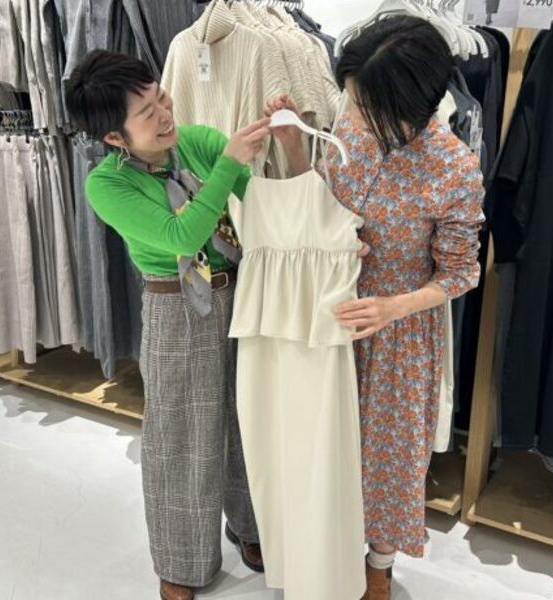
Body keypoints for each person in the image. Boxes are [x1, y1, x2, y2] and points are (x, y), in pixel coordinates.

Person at [267, 15, 485, 600]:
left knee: (388, 463)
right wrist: (292, 147)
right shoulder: (353, 127)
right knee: (323, 445)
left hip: (397, 335)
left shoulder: (453, 167)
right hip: (329, 311)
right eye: (354, 100)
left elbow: (461, 271)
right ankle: (324, 552)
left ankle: (378, 566)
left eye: (366, 104)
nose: (354, 114)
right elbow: (322, 204)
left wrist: (394, 306)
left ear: (410, 104)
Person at [64, 50, 270, 600]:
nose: (164, 113)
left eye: (160, 97)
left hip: (241, 295)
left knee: (248, 421)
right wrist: (227, 165)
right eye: (146, 112)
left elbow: (261, 204)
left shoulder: (197, 141)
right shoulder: (107, 185)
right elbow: (182, 237)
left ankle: (251, 526)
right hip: (176, 306)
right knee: (180, 437)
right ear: (114, 136)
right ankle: (181, 559)